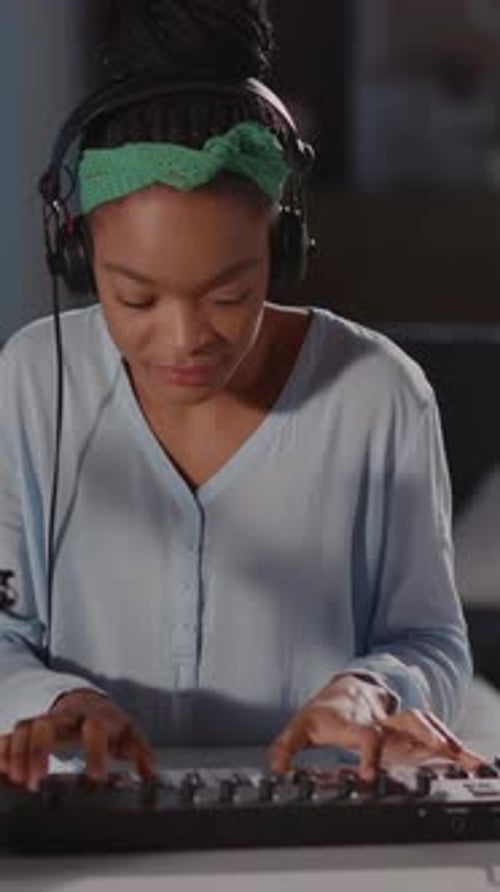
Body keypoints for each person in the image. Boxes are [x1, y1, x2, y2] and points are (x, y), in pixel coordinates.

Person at [0, 0, 483, 793]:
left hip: (316, 835)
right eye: (137, 299)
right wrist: (59, 700)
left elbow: (429, 637)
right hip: (87, 826)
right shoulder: (30, 379)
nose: (185, 339)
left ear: (282, 247)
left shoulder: (381, 395)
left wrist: (373, 688)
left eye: (228, 295)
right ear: (78, 254)